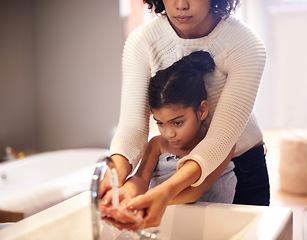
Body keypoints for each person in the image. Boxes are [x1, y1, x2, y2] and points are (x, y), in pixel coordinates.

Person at [100, 0, 270, 229]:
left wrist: (166, 192)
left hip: (241, 165)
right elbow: (132, 128)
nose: (181, 4)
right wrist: (113, 179)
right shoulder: (142, 41)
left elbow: (220, 141)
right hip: (176, 162)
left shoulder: (245, 44)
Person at [101, 51, 237, 230]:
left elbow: (194, 191)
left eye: (178, 122)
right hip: (167, 227)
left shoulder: (221, 145)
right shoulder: (157, 144)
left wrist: (144, 202)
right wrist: (123, 196)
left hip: (214, 228)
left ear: (202, 110)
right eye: (160, 123)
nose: (169, 133)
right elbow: (140, 180)